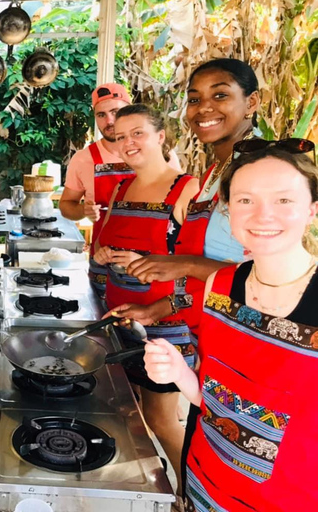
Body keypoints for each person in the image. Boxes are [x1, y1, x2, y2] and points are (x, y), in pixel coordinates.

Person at [109, 58, 261, 497]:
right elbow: (202, 267)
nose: (203, 108)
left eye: (220, 95)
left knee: (228, 456)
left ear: (251, 102)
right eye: (194, 99)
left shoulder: (257, 167)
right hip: (208, 328)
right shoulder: (217, 172)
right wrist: (159, 306)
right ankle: (183, 499)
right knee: (200, 437)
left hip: (246, 339)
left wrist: (182, 266)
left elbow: (264, 273)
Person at [144, 142, 318, 511]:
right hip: (202, 488)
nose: (262, 215)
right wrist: (178, 372)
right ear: (227, 209)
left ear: (312, 210)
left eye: (284, 201)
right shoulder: (220, 285)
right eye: (245, 200)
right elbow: (214, 402)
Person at [93, 104, 199, 491]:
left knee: (160, 417)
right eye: (120, 137)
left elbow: (201, 265)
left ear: (160, 135)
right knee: (133, 411)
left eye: (137, 133)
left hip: (166, 323)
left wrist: (150, 265)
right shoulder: (121, 187)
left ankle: (191, 491)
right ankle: (155, 489)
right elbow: (104, 244)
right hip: (123, 320)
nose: (128, 143)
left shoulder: (186, 188)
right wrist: (104, 254)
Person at [59, 83, 181, 297]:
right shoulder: (84, 159)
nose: (110, 122)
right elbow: (66, 205)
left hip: (153, 267)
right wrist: (83, 212)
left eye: (115, 112)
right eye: (101, 115)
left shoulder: (167, 159)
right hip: (105, 261)